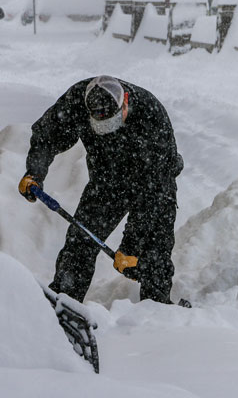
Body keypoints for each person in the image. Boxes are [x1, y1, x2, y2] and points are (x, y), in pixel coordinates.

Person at [18, 75, 184, 305]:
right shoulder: (77, 101)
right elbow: (47, 136)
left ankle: (157, 312)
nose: (108, 131)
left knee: (154, 250)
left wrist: (131, 246)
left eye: (113, 123)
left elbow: (152, 193)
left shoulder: (151, 115)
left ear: (124, 102)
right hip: (107, 182)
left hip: (156, 183)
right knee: (79, 244)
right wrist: (34, 172)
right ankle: (64, 306)